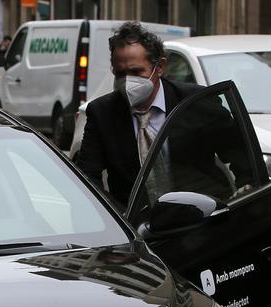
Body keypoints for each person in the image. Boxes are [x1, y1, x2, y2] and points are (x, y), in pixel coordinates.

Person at [76, 21, 253, 206]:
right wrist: (116, 216)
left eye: (137, 72)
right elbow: (88, 177)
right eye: (121, 73)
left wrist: (245, 192)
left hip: (202, 216)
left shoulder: (196, 101)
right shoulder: (102, 113)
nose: (128, 80)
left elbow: (241, 155)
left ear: (160, 67)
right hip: (138, 226)